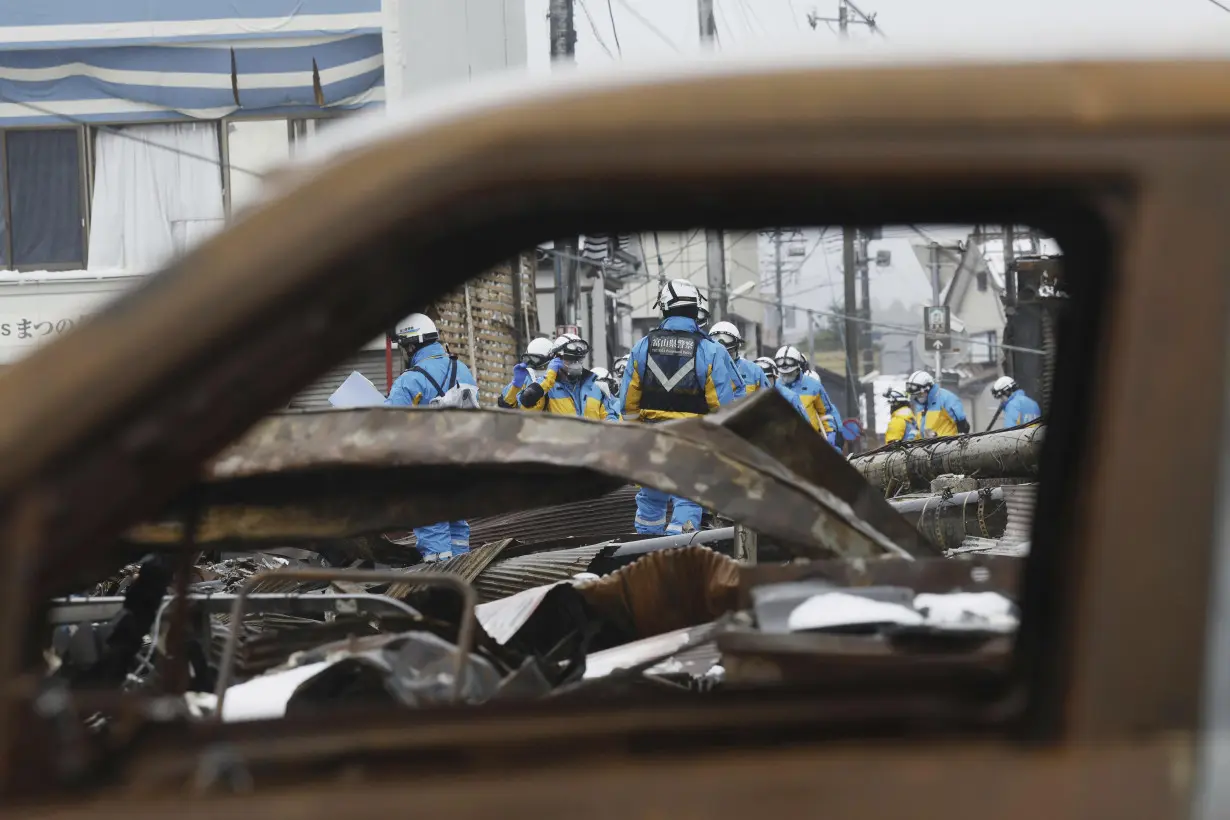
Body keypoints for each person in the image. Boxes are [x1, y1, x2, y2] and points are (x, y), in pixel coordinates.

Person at [620, 278, 737, 534]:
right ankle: (680, 553)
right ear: (696, 309)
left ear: (664, 308)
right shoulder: (711, 350)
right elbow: (722, 406)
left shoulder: (642, 347)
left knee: (651, 499)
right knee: (687, 498)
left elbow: (628, 401)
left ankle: (645, 553)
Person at [385, 314, 477, 562]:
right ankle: (465, 572)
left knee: (432, 524)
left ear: (412, 345)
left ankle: (440, 578)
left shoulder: (409, 380)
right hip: (461, 463)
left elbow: (389, 424)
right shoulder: (463, 370)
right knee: (457, 524)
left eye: (405, 346)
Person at [518, 335, 620, 421]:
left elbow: (609, 420)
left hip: (591, 444)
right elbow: (527, 408)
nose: (576, 363)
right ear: (556, 358)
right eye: (570, 358)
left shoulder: (596, 389)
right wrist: (548, 379)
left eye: (579, 359)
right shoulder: (545, 389)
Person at [774, 345, 841, 448]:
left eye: (790, 374)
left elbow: (826, 412)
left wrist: (830, 432)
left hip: (811, 443)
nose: (786, 377)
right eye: (783, 374)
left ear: (797, 369)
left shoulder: (814, 386)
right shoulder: (774, 387)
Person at [905, 370, 969, 438]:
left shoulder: (946, 398)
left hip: (948, 446)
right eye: (916, 395)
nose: (918, 398)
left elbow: (963, 427)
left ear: (928, 388)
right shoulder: (921, 405)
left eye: (920, 394)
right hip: (929, 447)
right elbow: (919, 430)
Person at [710, 321, 768, 396]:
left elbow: (768, 398)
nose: (725, 358)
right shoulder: (704, 371)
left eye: (729, 353)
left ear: (737, 347)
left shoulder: (754, 371)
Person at [497, 336, 553, 409]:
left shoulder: (558, 381)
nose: (534, 366)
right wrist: (516, 385)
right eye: (530, 359)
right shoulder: (525, 378)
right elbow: (504, 405)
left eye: (536, 360)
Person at [754, 357, 812, 423]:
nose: (764, 384)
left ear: (776, 377)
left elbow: (806, 425)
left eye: (768, 379)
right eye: (758, 380)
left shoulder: (790, 398)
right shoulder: (746, 398)